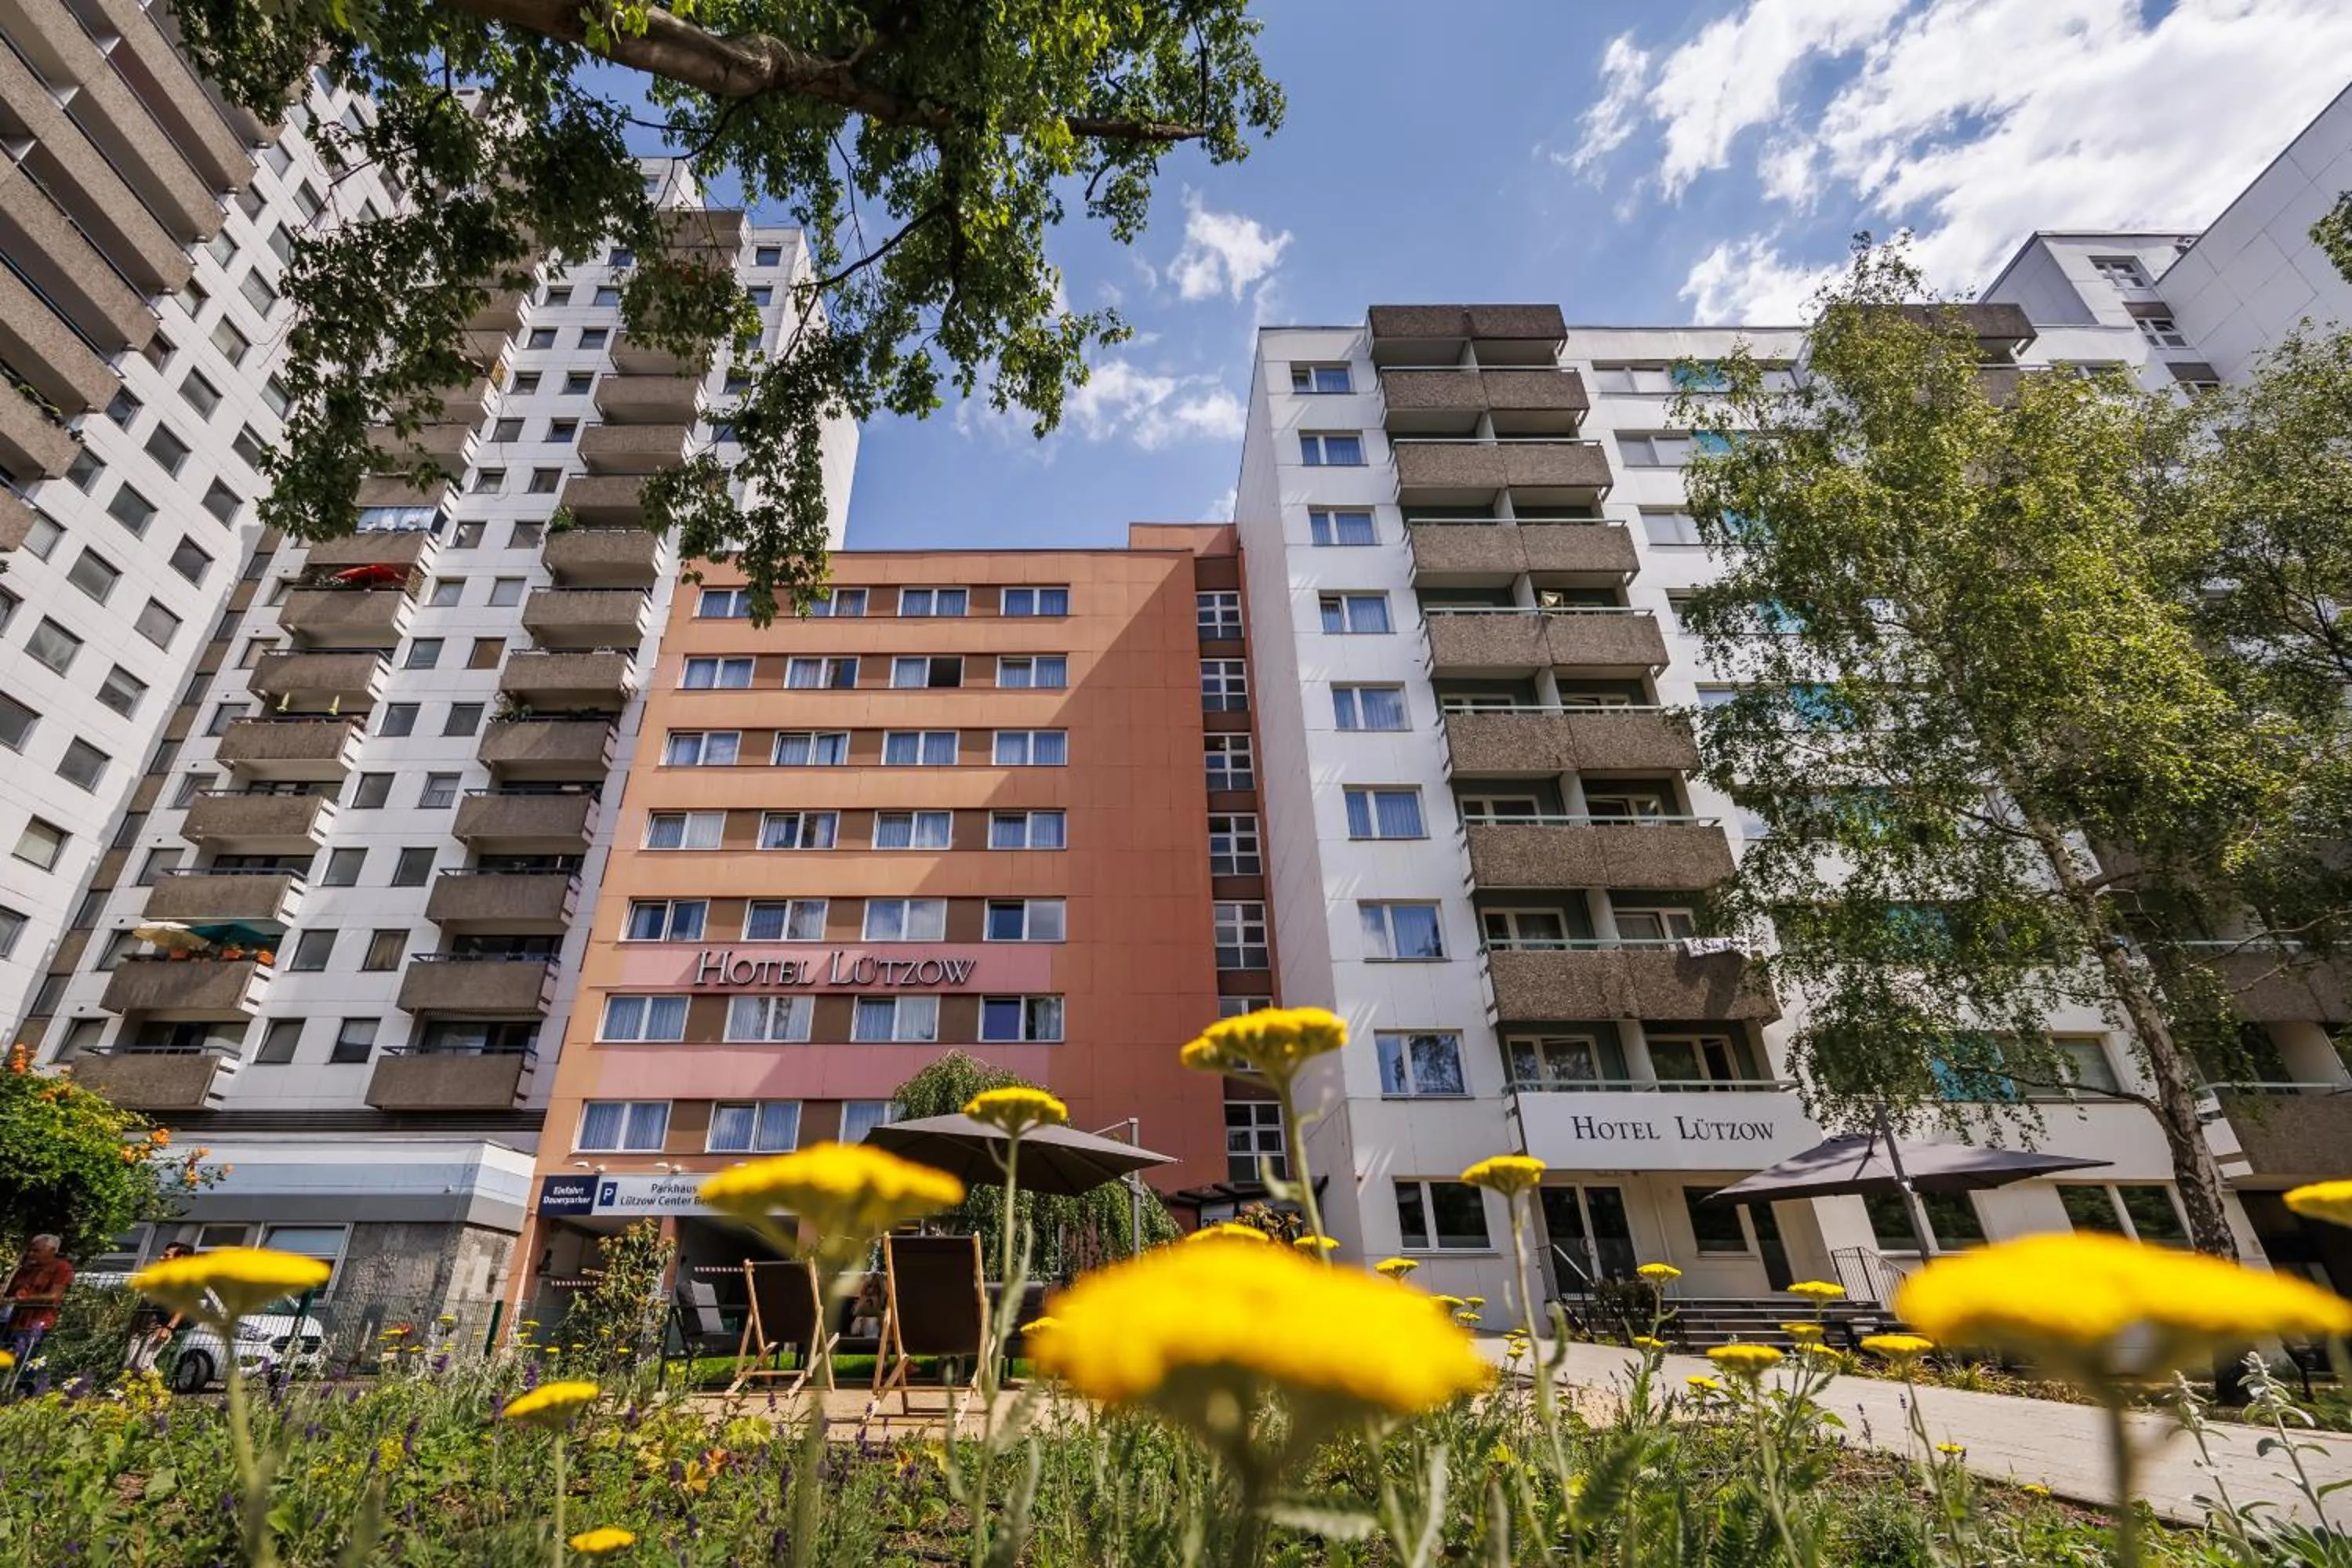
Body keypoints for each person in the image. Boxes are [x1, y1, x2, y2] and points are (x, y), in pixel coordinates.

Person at [2, 1234, 75, 1383]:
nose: (32, 1254)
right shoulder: (26, 1269)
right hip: (12, 1322)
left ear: (52, 1250)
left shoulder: (61, 1268)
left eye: (37, 1251)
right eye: (31, 1251)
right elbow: (8, 1293)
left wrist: (18, 1300)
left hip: (36, 1324)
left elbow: (54, 1296)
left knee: (25, 1366)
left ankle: (21, 1396)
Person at [124, 1241, 196, 1374]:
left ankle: (158, 1394)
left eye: (166, 1256)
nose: (161, 1258)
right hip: (141, 1324)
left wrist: (168, 1328)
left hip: (160, 1326)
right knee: (129, 1367)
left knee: (143, 1365)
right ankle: (124, 1394)